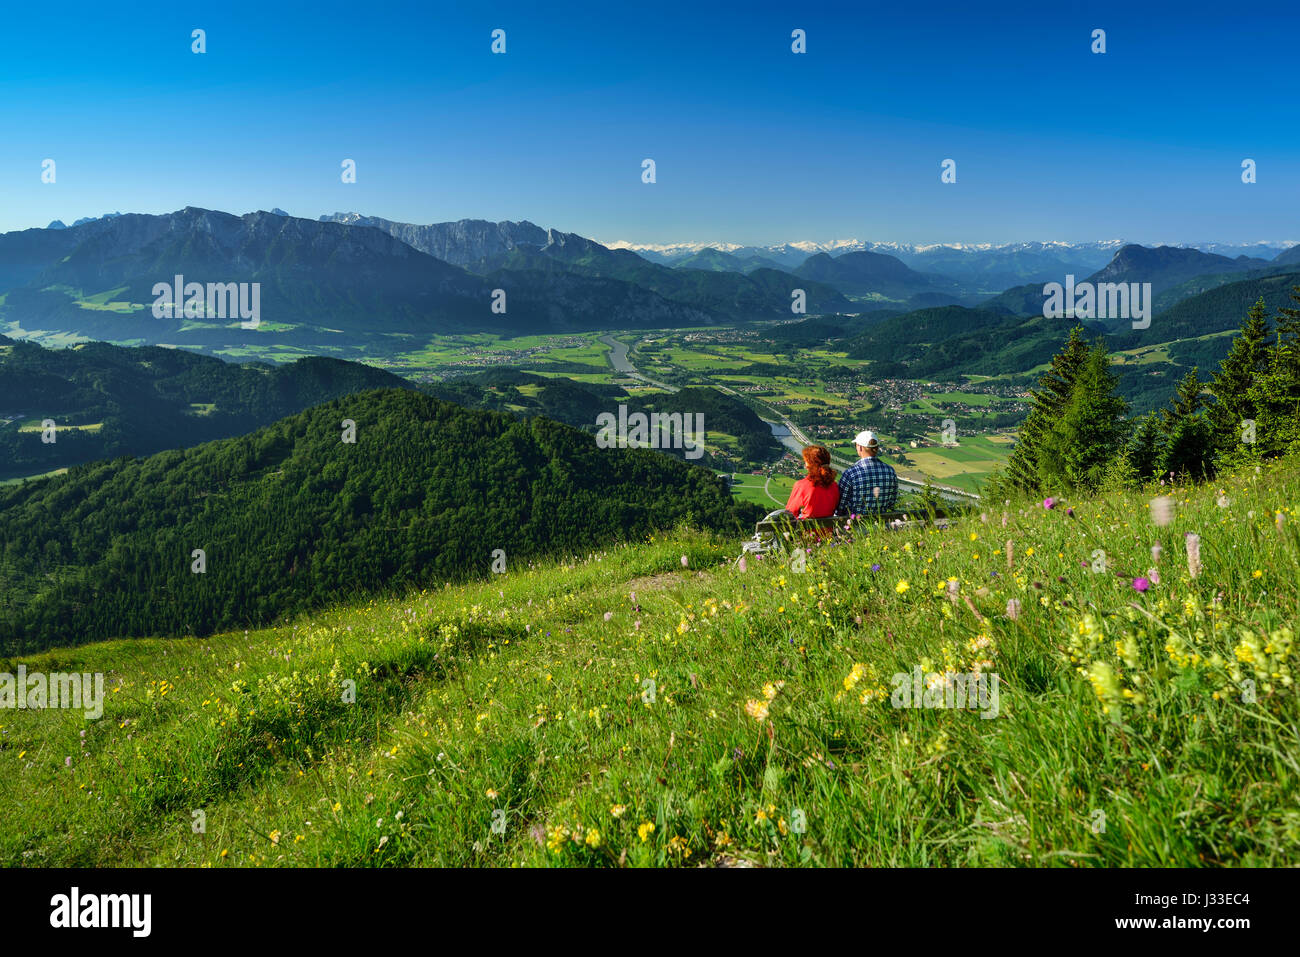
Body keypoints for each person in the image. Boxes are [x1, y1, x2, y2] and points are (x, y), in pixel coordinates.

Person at [836, 429, 898, 516]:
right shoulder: (890, 471)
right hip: (882, 525)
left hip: (856, 526)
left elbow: (840, 505)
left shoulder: (851, 473)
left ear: (860, 447)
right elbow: (892, 502)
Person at [785, 445, 839, 519]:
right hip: (828, 529)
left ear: (810, 465)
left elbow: (790, 513)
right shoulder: (834, 486)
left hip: (807, 529)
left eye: (806, 461)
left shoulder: (801, 485)